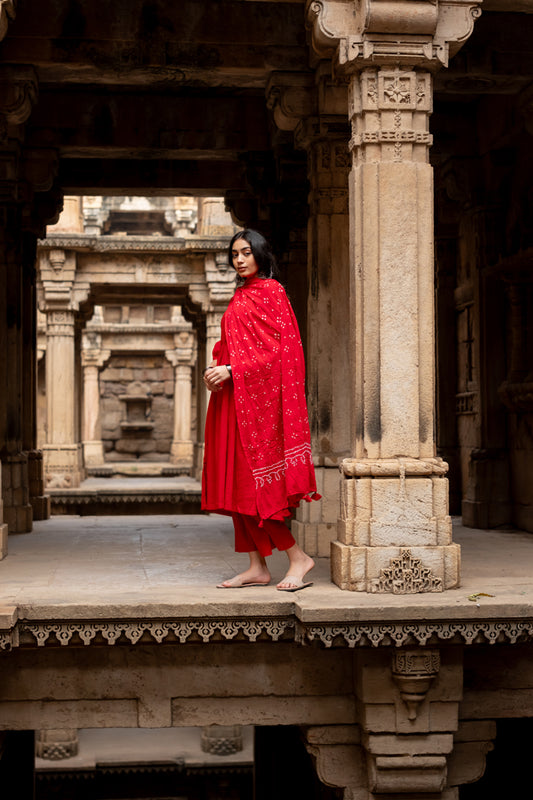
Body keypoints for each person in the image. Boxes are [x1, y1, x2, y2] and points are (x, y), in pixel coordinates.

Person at [201, 229, 320, 591]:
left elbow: (281, 353)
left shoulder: (273, 292)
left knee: (257, 491)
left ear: (261, 255)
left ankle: (298, 558)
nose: (239, 260)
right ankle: (257, 566)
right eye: (234, 254)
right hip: (234, 401)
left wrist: (234, 370)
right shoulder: (240, 296)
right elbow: (233, 346)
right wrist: (218, 370)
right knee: (236, 486)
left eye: (246, 253)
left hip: (261, 407)